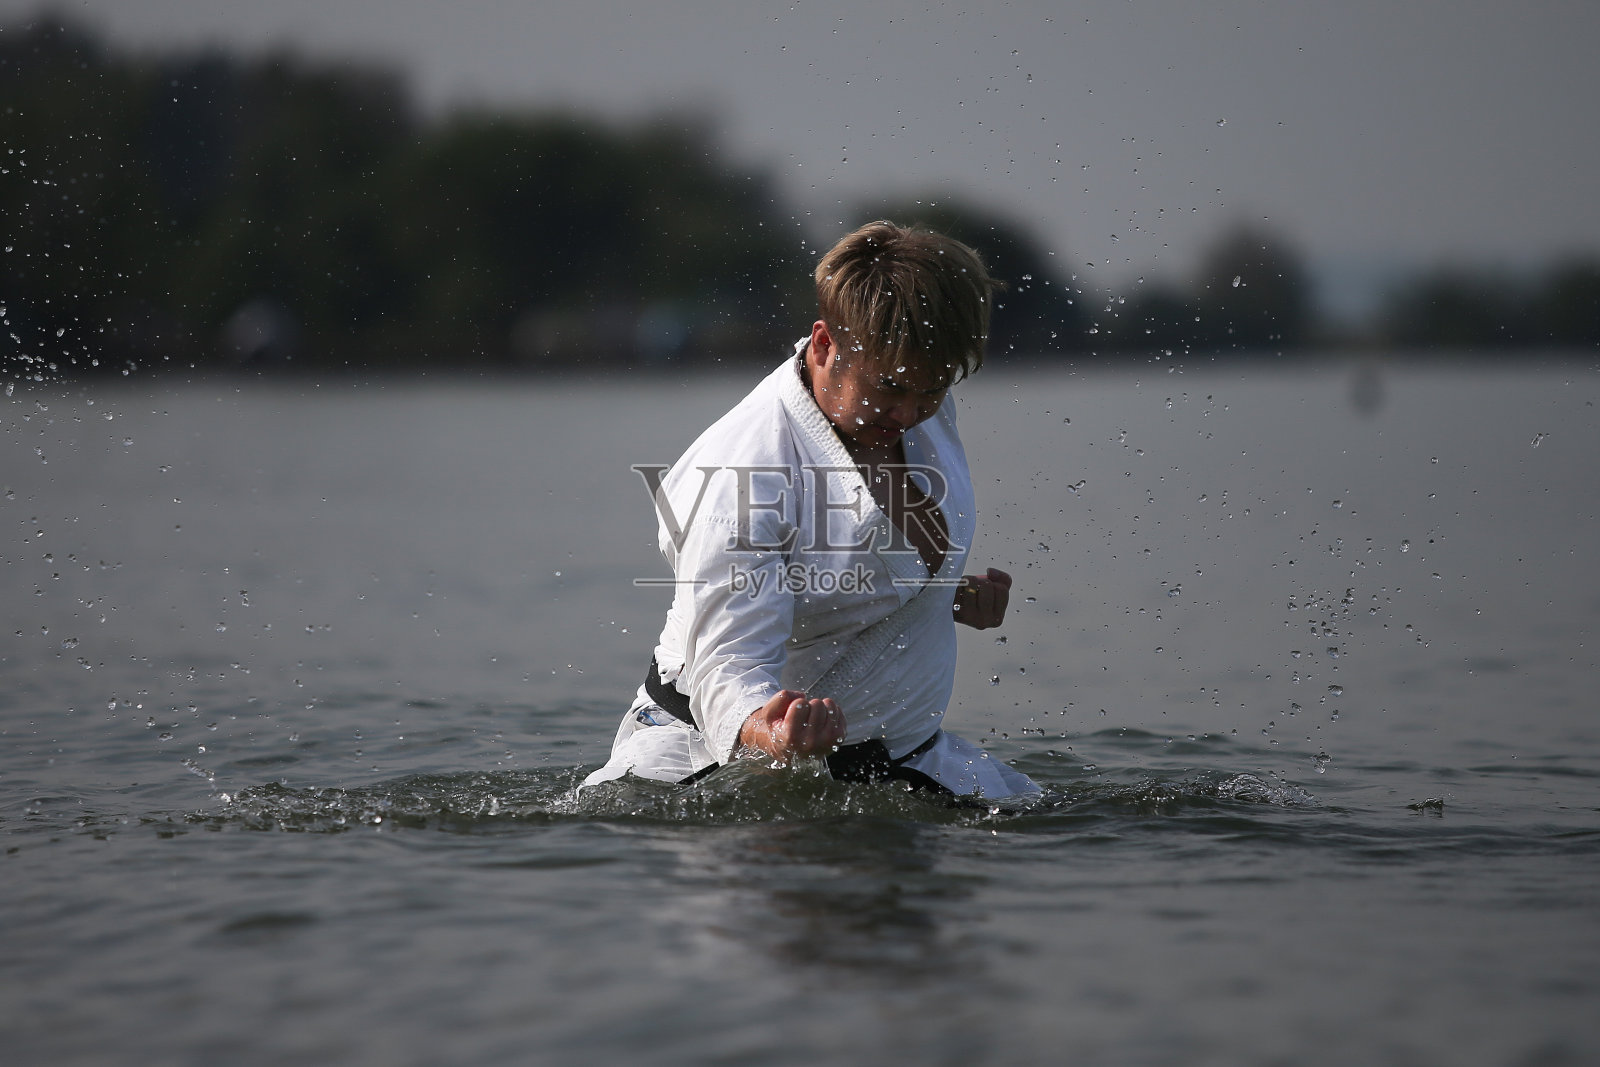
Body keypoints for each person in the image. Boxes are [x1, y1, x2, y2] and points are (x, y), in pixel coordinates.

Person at [582, 221, 1039, 800]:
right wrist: (772, 732)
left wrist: (942, 591)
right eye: (893, 388)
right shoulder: (741, 481)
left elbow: (851, 566)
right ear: (824, 345)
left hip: (903, 761)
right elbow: (726, 666)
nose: (909, 412)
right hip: (720, 770)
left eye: (934, 390)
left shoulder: (904, 401)